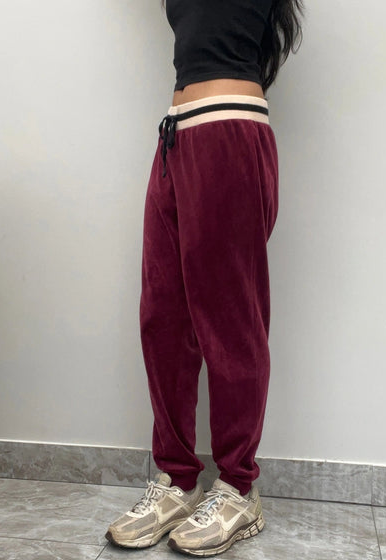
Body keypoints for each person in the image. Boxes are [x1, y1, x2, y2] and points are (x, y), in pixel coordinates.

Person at [105, 0, 304, 556]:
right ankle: (177, 480)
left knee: (230, 322)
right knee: (163, 320)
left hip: (229, 133)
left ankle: (239, 488)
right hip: (175, 137)